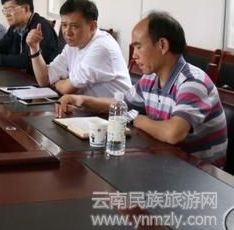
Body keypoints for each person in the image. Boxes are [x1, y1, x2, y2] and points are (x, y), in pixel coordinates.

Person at [58, 11, 227, 166]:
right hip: (165, 161)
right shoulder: (151, 79)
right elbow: (121, 104)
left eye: (139, 47)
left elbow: (173, 133)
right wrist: (81, 100)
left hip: (200, 173)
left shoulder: (192, 82)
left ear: (162, 45)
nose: (134, 55)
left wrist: (140, 120)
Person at [27, 0, 131, 97]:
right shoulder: (72, 46)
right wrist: (34, 48)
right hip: (84, 107)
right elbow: (45, 80)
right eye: (64, 25)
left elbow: (67, 89)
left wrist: (56, 83)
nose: (67, 32)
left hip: (115, 109)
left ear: (92, 26)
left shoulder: (102, 47)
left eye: (74, 26)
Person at [0, 0, 60, 72]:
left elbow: (27, 61)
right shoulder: (15, 27)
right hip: (19, 75)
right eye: (5, 10)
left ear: (26, 9)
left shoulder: (40, 28)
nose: (7, 14)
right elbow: (1, 48)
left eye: (10, 10)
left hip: (38, 78)